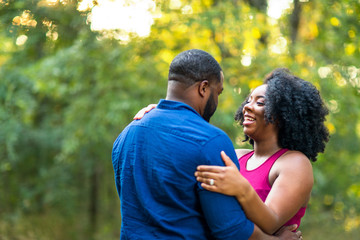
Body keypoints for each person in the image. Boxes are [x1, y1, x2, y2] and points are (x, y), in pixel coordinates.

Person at [112, 50, 302, 240]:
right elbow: (230, 230)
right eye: (217, 92)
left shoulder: (127, 134)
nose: (246, 107)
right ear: (203, 88)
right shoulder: (211, 142)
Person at [195, 68, 330, 234]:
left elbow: (270, 222)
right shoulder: (236, 156)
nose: (247, 107)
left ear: (284, 115)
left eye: (260, 103)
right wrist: (170, 115)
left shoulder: (294, 163)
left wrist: (241, 188)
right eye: (248, 100)